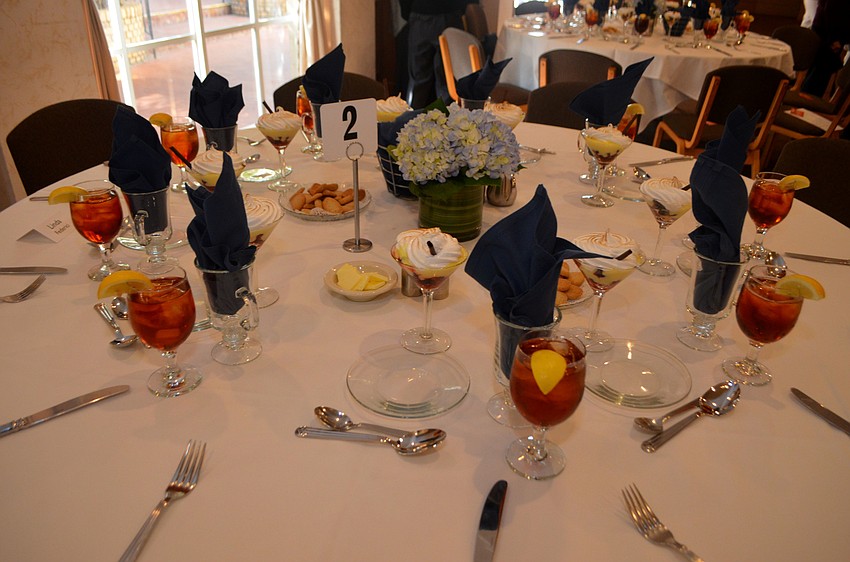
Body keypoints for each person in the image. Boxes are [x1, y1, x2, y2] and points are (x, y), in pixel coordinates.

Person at [400, 0, 476, 109]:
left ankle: (411, 119)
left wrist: (409, 11)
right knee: (447, 78)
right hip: (449, 13)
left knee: (418, 78)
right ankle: (448, 121)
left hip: (421, 14)